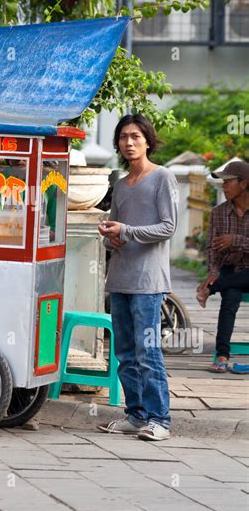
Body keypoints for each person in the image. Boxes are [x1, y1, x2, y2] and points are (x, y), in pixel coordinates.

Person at [97, 114, 179, 441]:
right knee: (125, 354)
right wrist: (110, 237)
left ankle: (160, 419)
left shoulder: (163, 178)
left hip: (148, 283)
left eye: (135, 136)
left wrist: (127, 232)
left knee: (148, 353)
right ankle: (136, 415)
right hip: (119, 279)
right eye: (123, 137)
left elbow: (168, 227)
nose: (129, 143)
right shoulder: (120, 185)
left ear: (147, 140)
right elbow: (112, 231)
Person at [196, 160, 249, 373]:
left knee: (226, 286)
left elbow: (231, 241)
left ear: (244, 184)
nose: (224, 187)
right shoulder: (218, 212)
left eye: (228, 182)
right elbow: (211, 249)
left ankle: (212, 289)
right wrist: (213, 273)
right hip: (231, 270)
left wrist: (235, 240)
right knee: (230, 298)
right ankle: (223, 355)